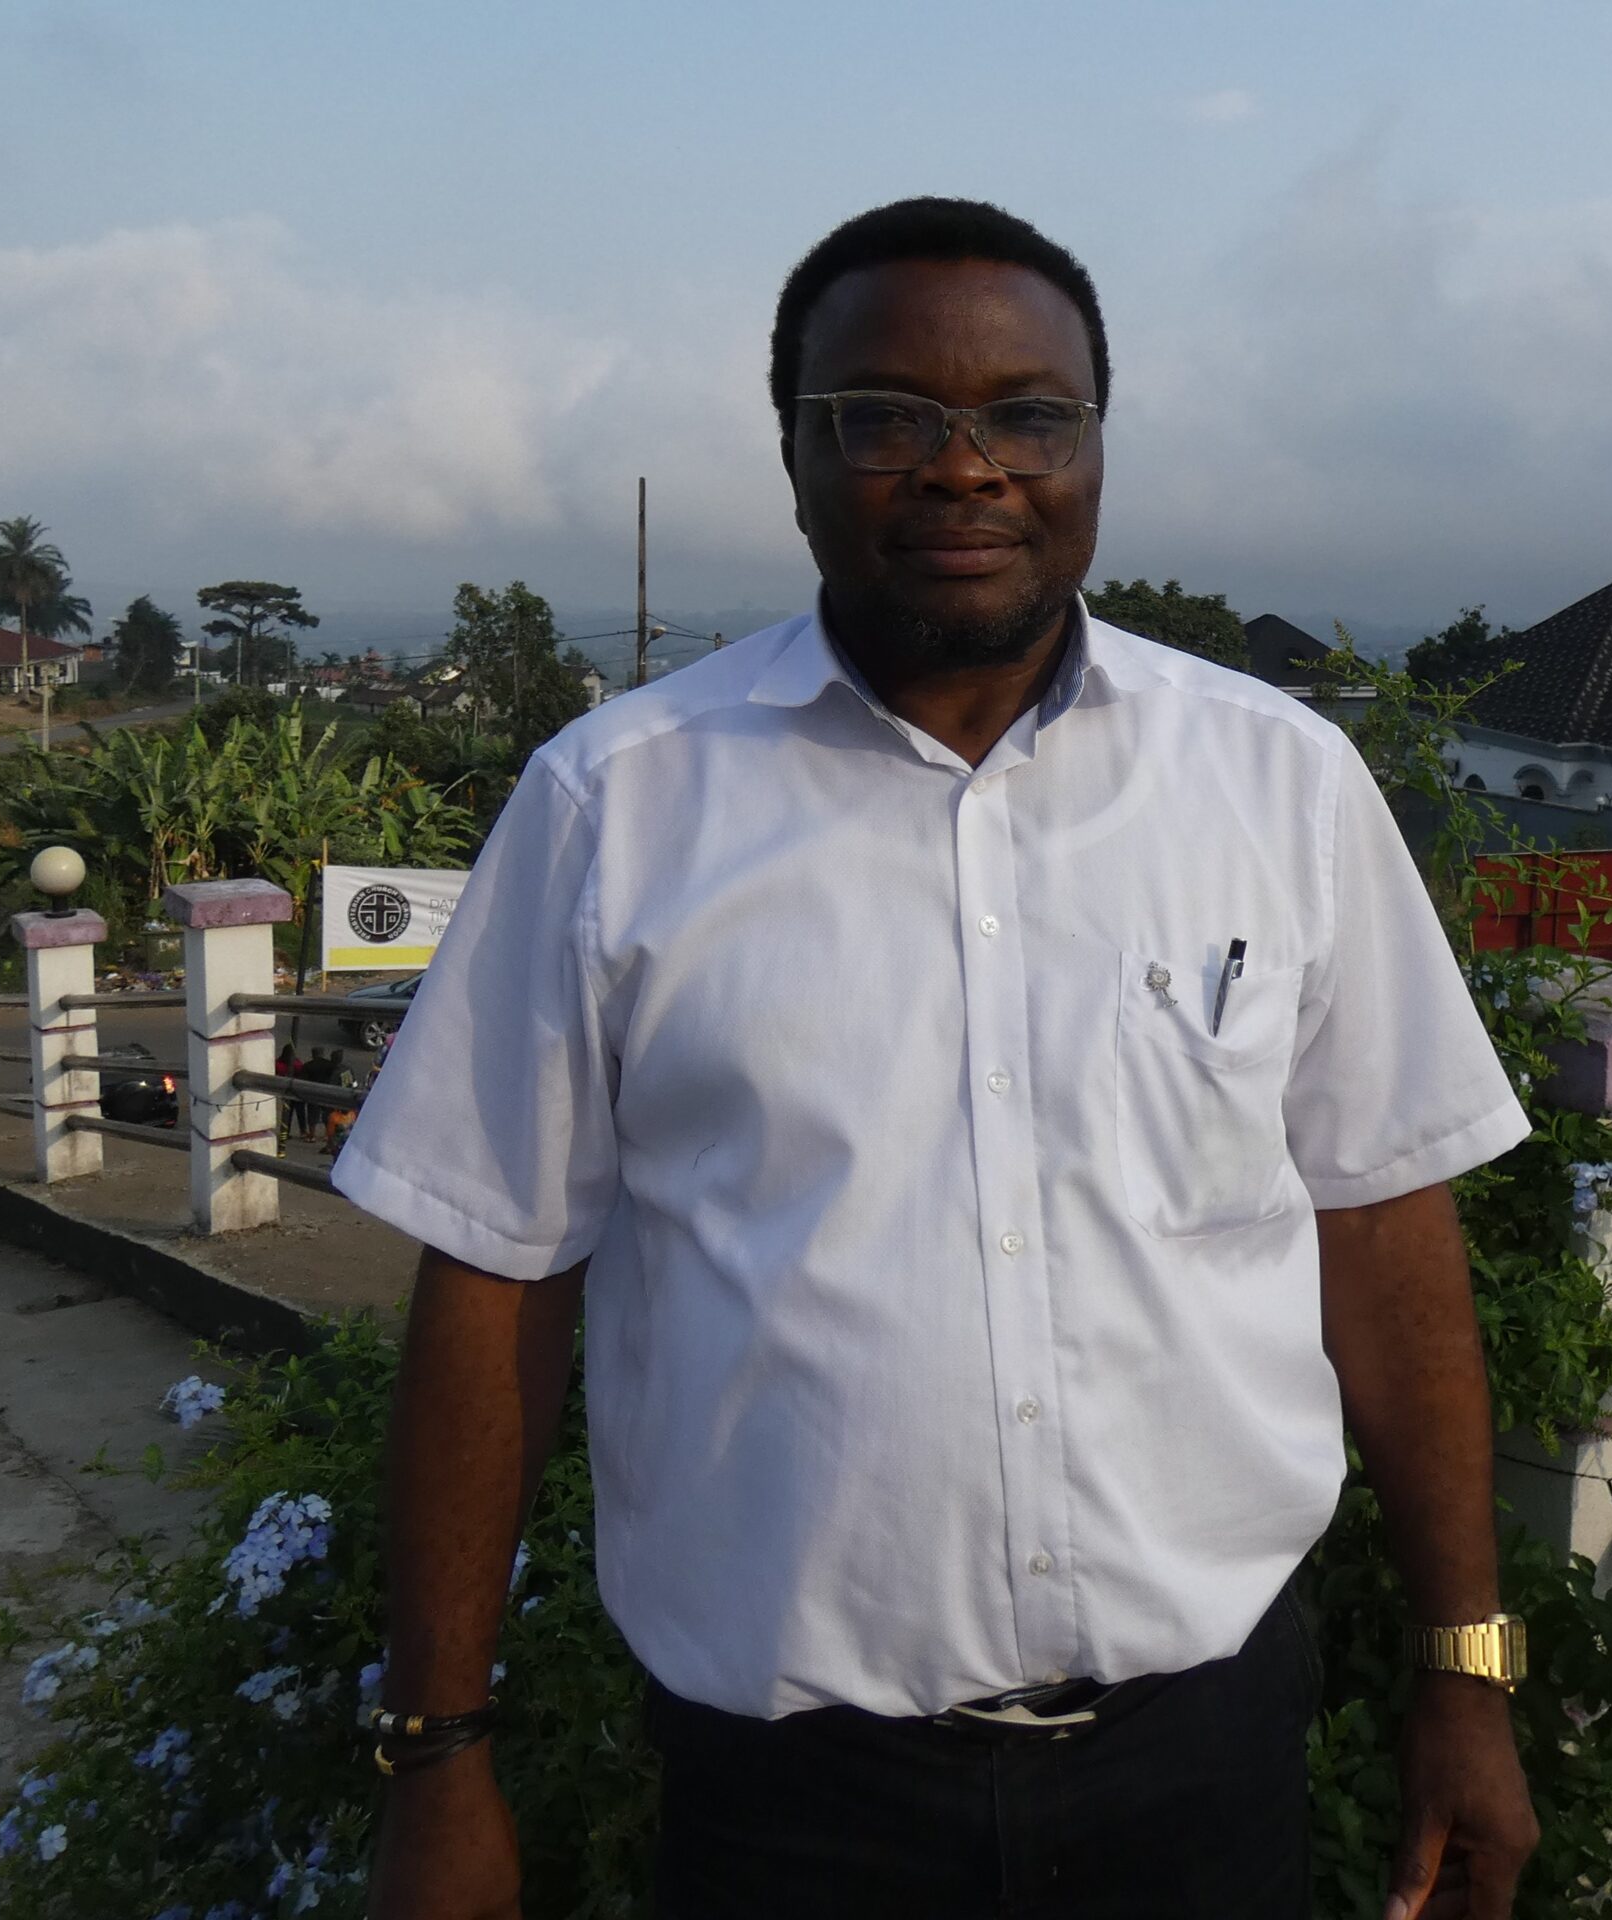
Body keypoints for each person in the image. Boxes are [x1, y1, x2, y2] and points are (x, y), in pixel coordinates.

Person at [335, 196, 1539, 1920]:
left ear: (1096, 449)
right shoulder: (617, 807)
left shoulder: (1278, 786)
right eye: (886, 418)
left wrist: (1465, 1669)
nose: (967, 469)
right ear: (794, 456)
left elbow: (1383, 1230)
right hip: (791, 1806)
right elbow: (495, 1278)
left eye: (1030, 417)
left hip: (1203, 1768)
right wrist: (437, 1752)